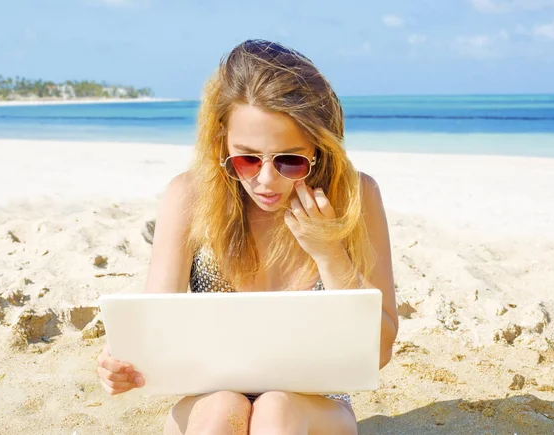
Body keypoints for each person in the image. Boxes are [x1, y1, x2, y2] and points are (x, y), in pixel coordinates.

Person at [97, 39, 398, 434]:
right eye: (248, 158)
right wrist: (119, 364)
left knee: (276, 408)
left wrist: (330, 253)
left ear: (319, 147)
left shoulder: (356, 195)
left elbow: (378, 352)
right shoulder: (189, 196)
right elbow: (155, 326)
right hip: (209, 401)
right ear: (222, 138)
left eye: (290, 159)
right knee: (224, 406)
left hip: (313, 405)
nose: (266, 180)